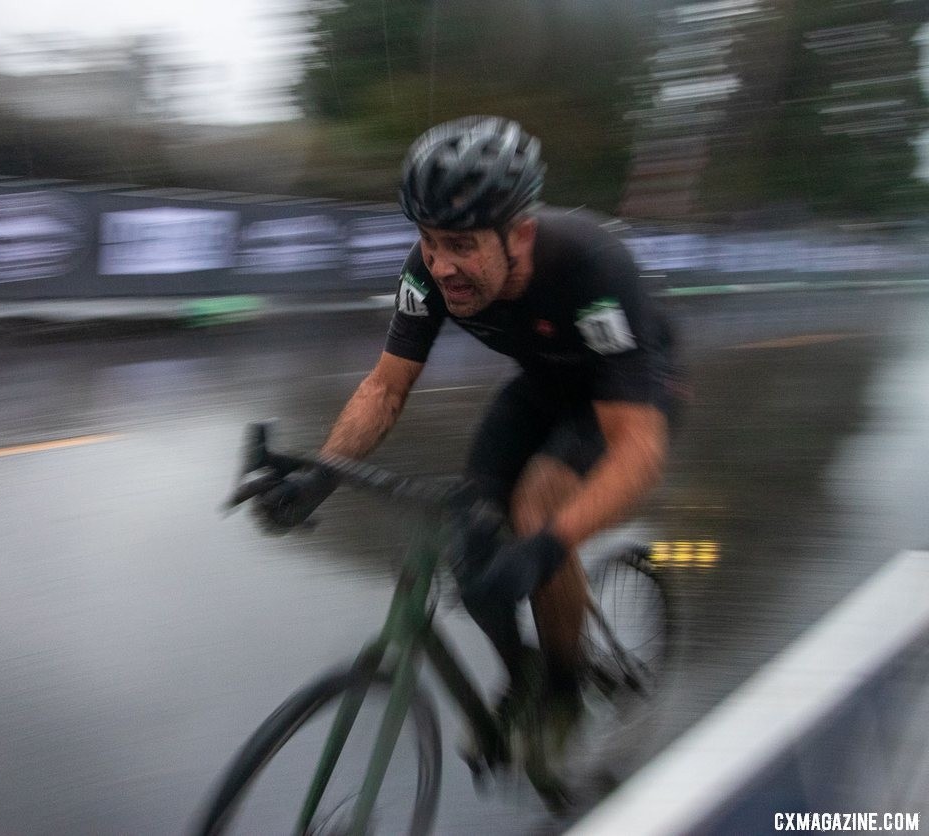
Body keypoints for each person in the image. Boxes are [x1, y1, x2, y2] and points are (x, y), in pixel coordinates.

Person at [254, 115, 684, 756]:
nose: (441, 265)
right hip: (543, 385)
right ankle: (525, 674)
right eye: (428, 241)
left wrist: (545, 546)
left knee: (536, 508)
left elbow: (638, 451)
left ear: (522, 234)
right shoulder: (427, 272)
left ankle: (564, 694)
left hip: (630, 398)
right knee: (471, 537)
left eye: (460, 244)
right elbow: (384, 388)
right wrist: (323, 473)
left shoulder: (590, 265)